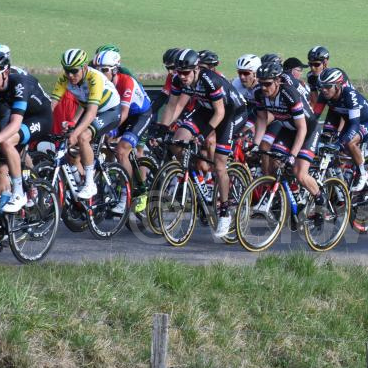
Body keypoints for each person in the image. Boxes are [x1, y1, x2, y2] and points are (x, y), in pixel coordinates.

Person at [158, 49, 247, 238]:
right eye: (178, 72)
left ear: (196, 69)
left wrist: (203, 134)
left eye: (185, 73)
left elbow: (220, 113)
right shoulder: (178, 79)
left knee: (220, 164)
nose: (181, 77)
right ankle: (198, 179)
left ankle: (224, 212)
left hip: (231, 113)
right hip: (206, 109)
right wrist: (163, 128)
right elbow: (172, 106)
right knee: (176, 140)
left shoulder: (209, 80)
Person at [0, 50, 52, 215]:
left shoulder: (20, 84)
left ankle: (18, 192)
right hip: (16, 114)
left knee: (7, 141)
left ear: (6, 73)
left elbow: (15, 125)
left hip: (39, 117)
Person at [251, 61, 325, 208]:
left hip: (307, 130)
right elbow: (261, 119)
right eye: (261, 83)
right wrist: (255, 144)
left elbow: (302, 128)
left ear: (278, 81)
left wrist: (293, 155)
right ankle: (289, 196)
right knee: (274, 161)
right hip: (287, 128)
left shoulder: (289, 94)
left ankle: (320, 200)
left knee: (299, 172)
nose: (264, 88)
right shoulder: (259, 93)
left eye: (267, 84)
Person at [50, 49, 121, 200]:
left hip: (110, 111)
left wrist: (76, 132)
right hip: (90, 109)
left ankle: (90, 184)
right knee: (69, 149)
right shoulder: (65, 78)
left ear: (83, 67)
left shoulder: (95, 77)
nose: (70, 75)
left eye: (74, 71)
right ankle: (82, 179)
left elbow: (91, 112)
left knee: (82, 137)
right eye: (67, 71)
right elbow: (52, 105)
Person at [93, 50, 153, 214]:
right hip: (118, 115)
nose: (100, 73)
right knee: (102, 144)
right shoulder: (98, 83)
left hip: (139, 115)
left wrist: (114, 134)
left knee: (122, 149)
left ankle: (127, 194)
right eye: (97, 69)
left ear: (115, 70)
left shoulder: (126, 82)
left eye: (104, 70)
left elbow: (124, 114)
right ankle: (112, 180)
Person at [313, 68, 368, 192]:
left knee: (349, 142)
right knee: (331, 147)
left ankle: (362, 173)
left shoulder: (349, 94)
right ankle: (342, 183)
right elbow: (314, 117)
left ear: (338, 86)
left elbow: (354, 124)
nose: (323, 90)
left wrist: (341, 142)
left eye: (327, 86)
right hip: (351, 123)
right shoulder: (324, 95)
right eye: (321, 86)